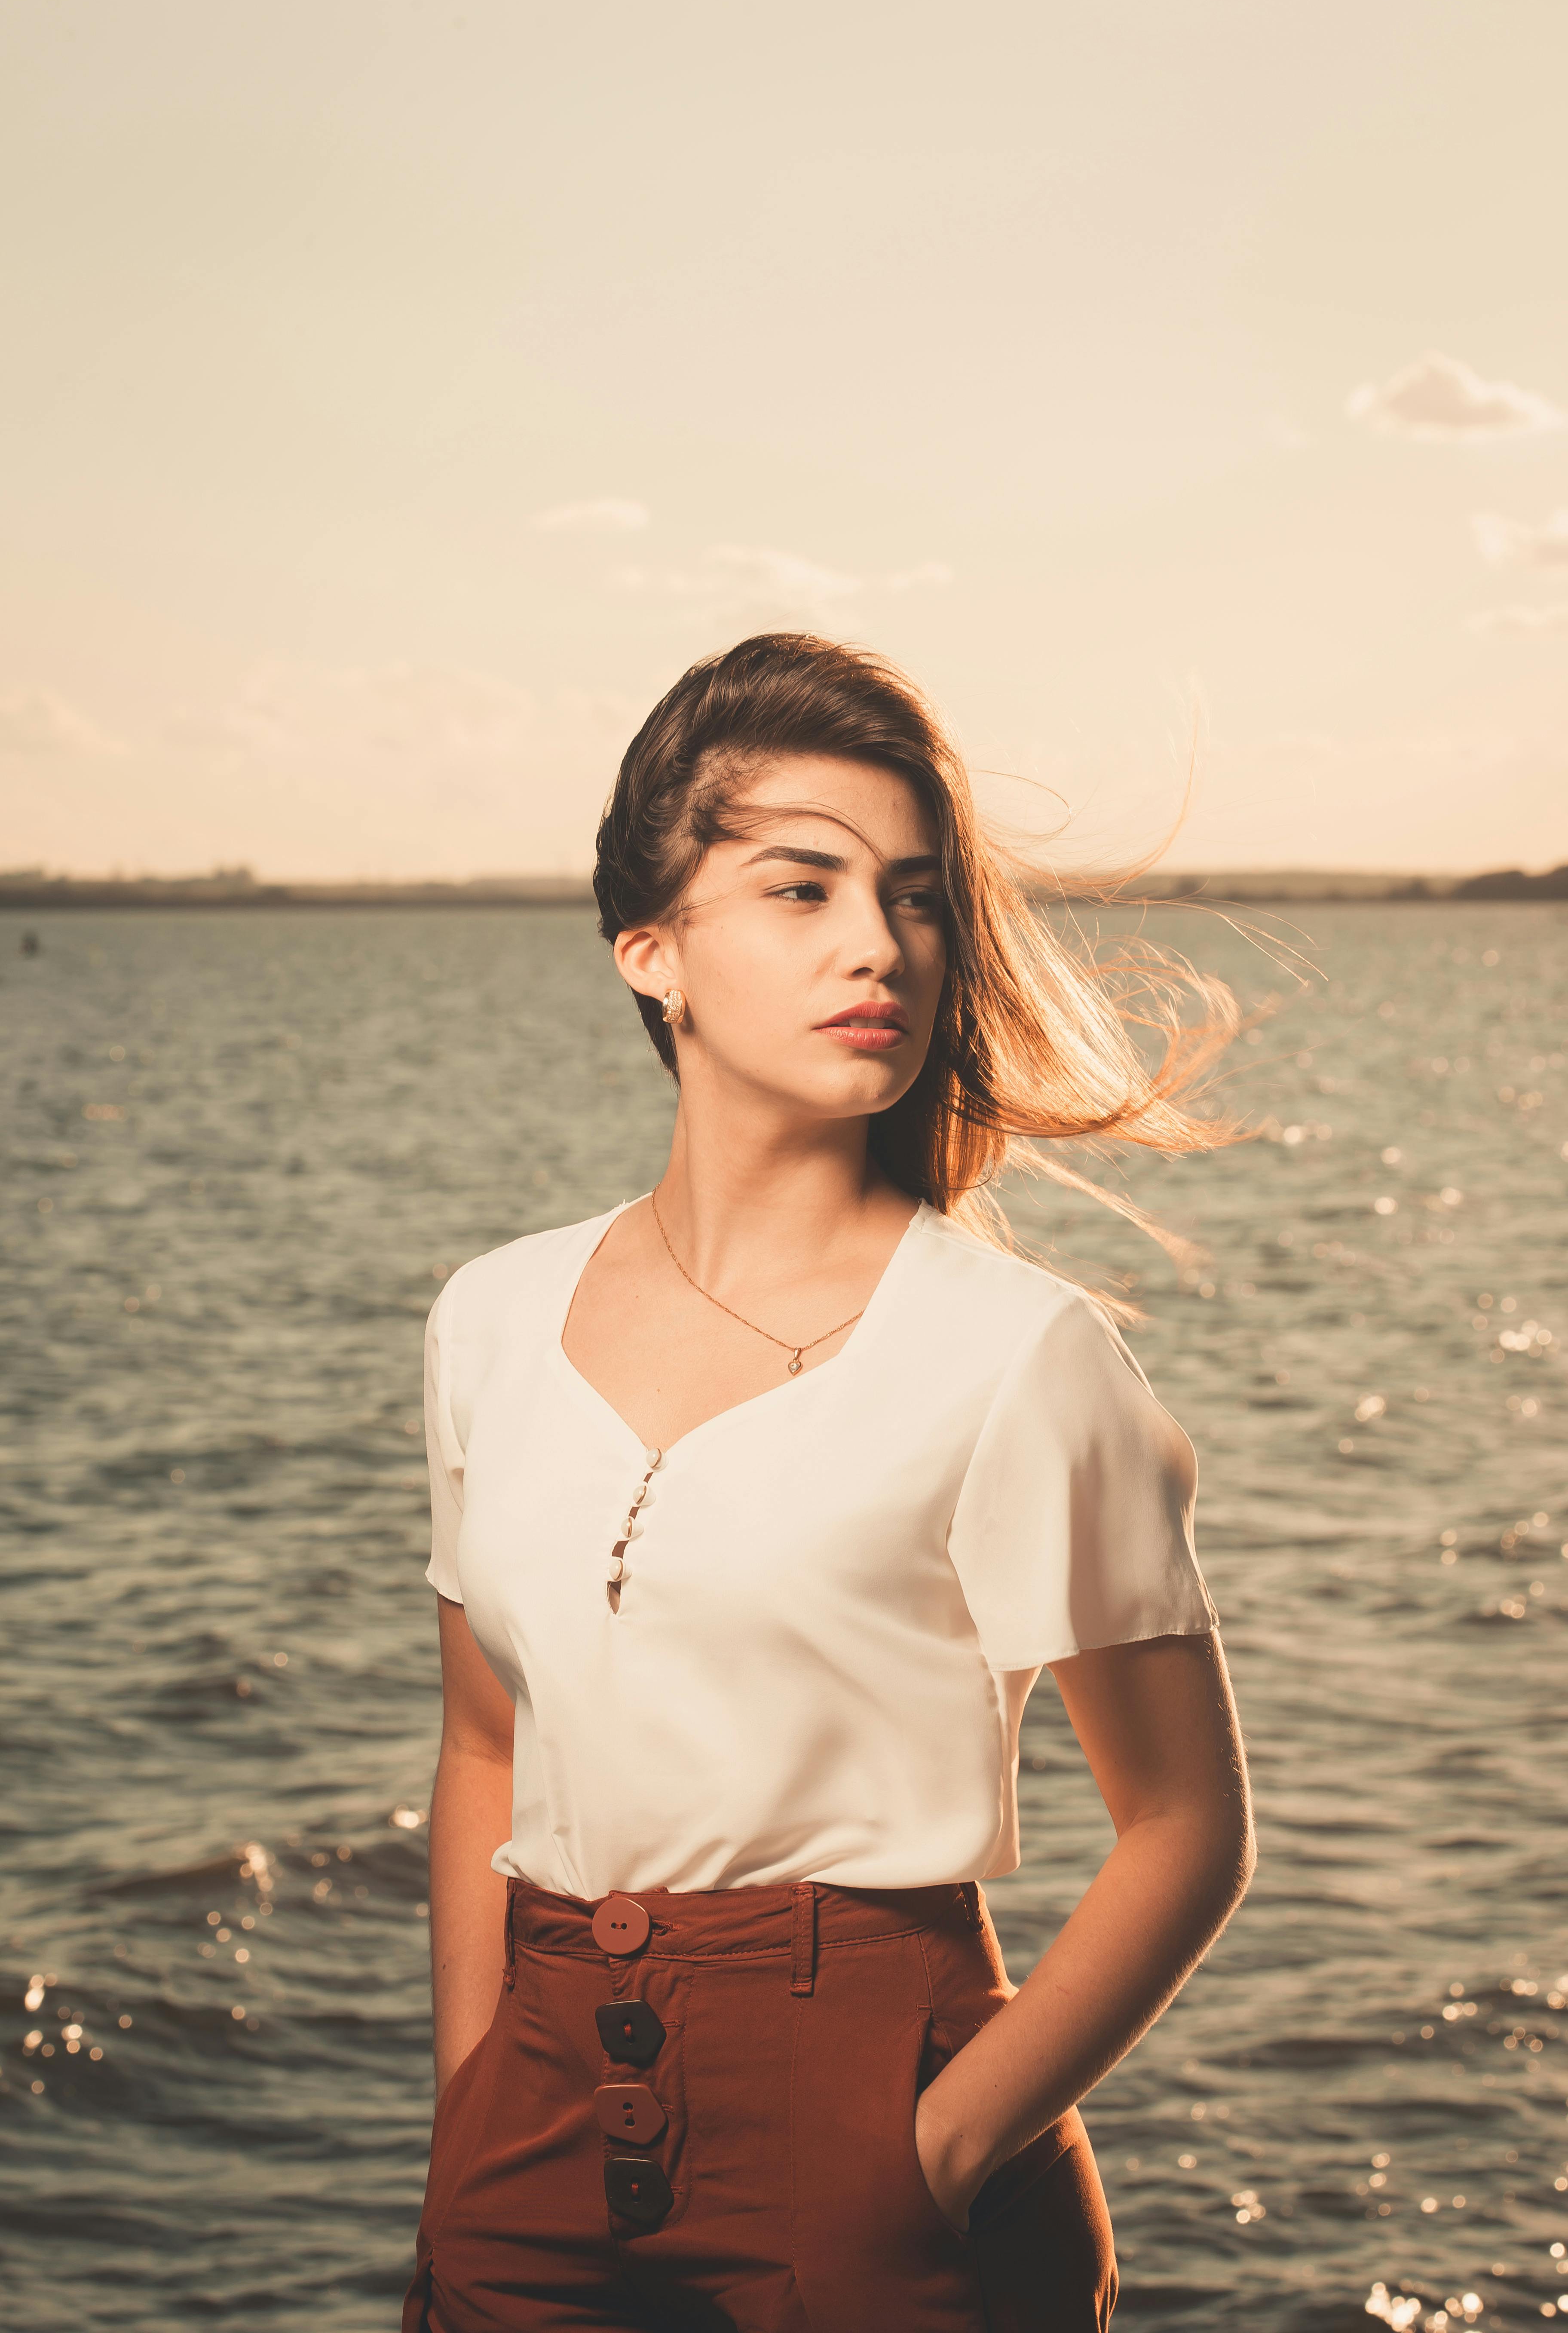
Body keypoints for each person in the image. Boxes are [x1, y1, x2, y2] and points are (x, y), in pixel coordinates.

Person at [403, 633, 1255, 2333]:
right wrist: (472, 2101)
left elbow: (1187, 1828)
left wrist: (939, 2148)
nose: (880, 944)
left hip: (880, 2138)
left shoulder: (1020, 1357)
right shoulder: (490, 1319)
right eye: (802, 889)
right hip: (532, 2133)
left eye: (919, 899)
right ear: (654, 954)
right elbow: (487, 1745)